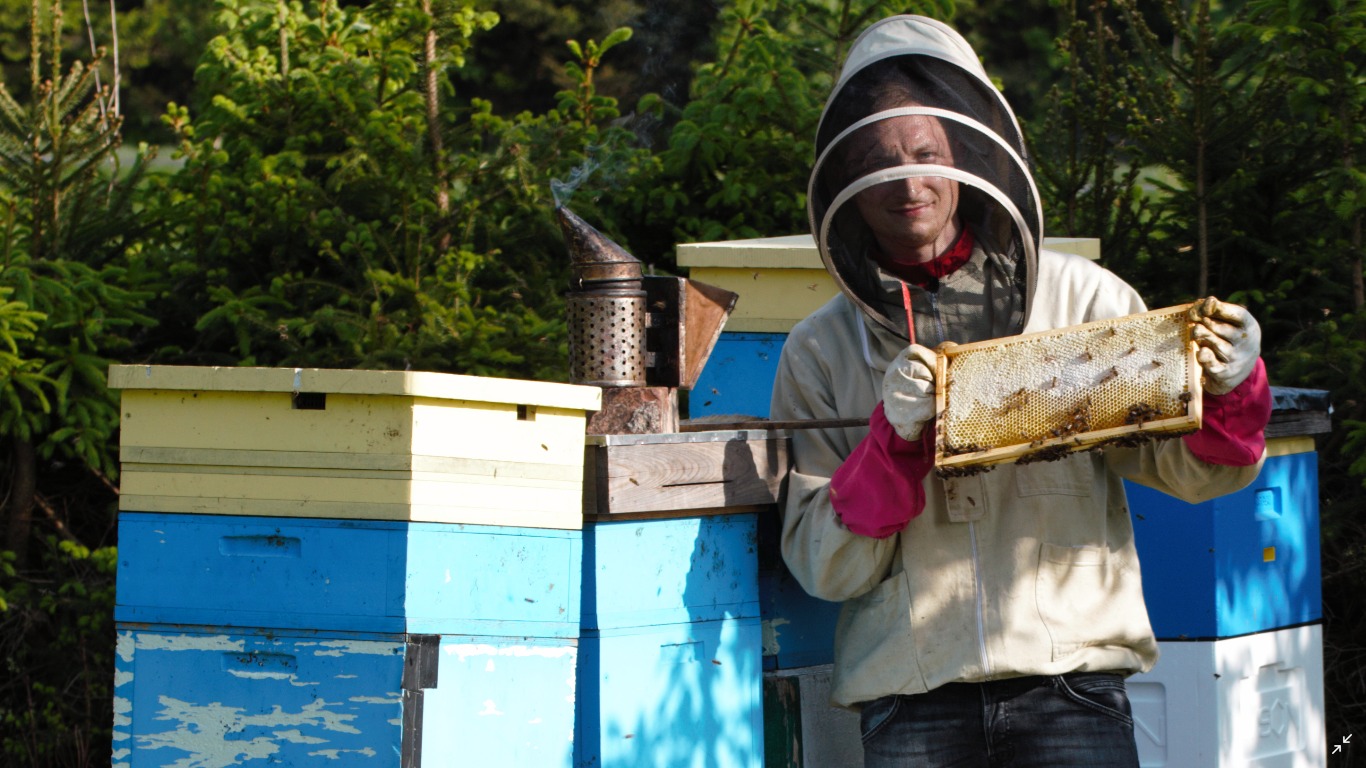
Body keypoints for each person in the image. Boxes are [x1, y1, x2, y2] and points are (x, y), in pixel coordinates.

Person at [770, 15, 1272, 767]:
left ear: (966, 151)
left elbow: (1197, 475)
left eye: (926, 154)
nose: (908, 183)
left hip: (1070, 685)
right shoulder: (818, 350)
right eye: (878, 163)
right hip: (910, 697)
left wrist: (1230, 390)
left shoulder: (1084, 298)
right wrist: (892, 447)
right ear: (845, 180)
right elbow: (825, 568)